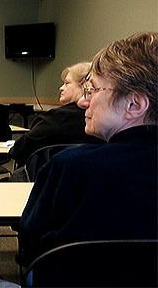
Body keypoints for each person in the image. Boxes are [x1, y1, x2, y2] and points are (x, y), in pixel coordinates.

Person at [18, 31, 157, 268]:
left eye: (92, 90)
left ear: (134, 104)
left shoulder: (70, 168)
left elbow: (29, 253)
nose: (84, 101)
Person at [9, 62, 103, 167]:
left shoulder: (56, 118)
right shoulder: (104, 123)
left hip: (44, 179)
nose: (61, 88)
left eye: (67, 83)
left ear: (84, 86)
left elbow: (18, 151)